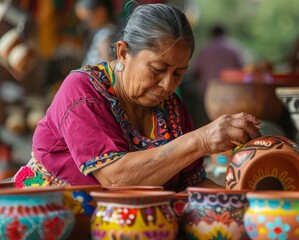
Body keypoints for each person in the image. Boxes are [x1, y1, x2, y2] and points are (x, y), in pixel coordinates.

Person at [12, 4, 261, 192]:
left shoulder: (172, 108)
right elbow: (116, 179)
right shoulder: (82, 91)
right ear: (123, 53)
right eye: (157, 69)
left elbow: (191, 186)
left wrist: (247, 205)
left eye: (178, 73)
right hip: (52, 223)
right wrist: (201, 140)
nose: (167, 84)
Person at [188, 24, 243, 127]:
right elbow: (241, 72)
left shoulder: (205, 49)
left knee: (205, 123)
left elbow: (196, 72)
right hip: (230, 93)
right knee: (229, 124)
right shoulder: (233, 49)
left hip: (208, 92)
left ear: (211, 34)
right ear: (224, 33)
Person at [75, 0, 117, 65]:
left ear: (100, 12)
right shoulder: (107, 33)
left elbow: (105, 69)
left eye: (86, 20)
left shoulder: (105, 37)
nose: (85, 25)